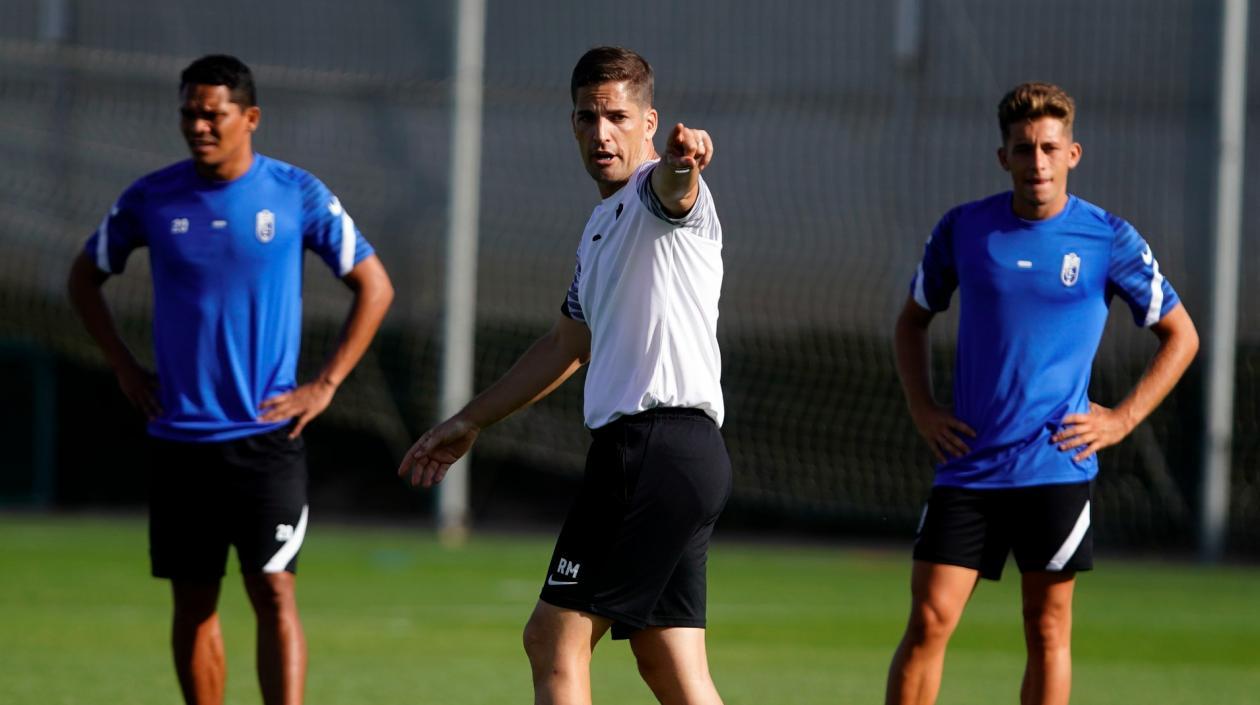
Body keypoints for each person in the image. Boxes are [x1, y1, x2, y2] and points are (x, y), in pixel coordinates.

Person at [398, 46, 729, 705]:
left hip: (651, 448)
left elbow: (677, 188)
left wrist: (684, 162)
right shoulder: (599, 228)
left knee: (553, 640)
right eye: (586, 117)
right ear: (573, 124)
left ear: (647, 121)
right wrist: (469, 420)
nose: (601, 132)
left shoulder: (657, 196)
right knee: (671, 665)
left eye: (616, 115)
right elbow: (563, 344)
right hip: (682, 457)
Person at [67, 54, 394, 705]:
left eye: (211, 113)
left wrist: (324, 384)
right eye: (188, 112)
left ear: (249, 117)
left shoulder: (296, 193)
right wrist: (126, 367)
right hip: (179, 438)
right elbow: (83, 277)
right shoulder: (151, 197)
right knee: (193, 603)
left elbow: (374, 286)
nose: (198, 126)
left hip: (266, 436)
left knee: (273, 590)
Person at [885, 82, 1199, 705]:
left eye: (1050, 148)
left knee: (1047, 628)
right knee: (927, 622)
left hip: (1056, 465)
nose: (1038, 162)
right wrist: (923, 409)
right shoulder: (964, 229)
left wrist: (1122, 419)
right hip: (969, 466)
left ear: (1073, 153)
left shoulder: (1107, 237)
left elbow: (1181, 336)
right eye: (1024, 149)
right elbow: (911, 320)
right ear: (1003, 156)